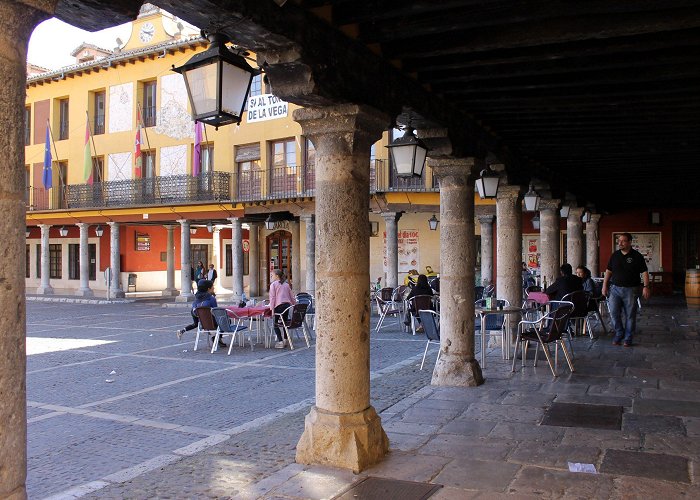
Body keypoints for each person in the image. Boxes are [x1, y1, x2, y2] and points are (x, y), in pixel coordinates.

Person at [602, 232, 650, 347]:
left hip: (631, 290)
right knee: (613, 313)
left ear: (629, 242)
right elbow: (608, 271)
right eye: (619, 241)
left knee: (630, 315)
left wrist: (646, 287)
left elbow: (644, 272)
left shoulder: (637, 256)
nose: (620, 243)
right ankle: (619, 333)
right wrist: (604, 285)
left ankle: (628, 338)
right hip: (614, 289)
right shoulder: (615, 255)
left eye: (623, 241)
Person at [176, 279, 226, 348]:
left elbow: (194, 313)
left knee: (195, 324)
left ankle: (217, 338)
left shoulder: (196, 299)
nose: (214, 288)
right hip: (212, 325)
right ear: (208, 289)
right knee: (225, 321)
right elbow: (216, 312)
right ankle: (216, 337)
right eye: (212, 286)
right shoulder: (211, 299)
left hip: (202, 325)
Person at [269, 269, 296, 349]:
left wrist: (272, 309)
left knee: (275, 324)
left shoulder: (273, 285)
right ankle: (285, 339)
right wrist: (295, 305)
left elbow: (272, 298)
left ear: (277, 276)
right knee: (284, 323)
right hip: (287, 306)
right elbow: (292, 296)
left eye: (272, 275)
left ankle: (280, 341)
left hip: (279, 306)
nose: (271, 277)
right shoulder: (286, 284)